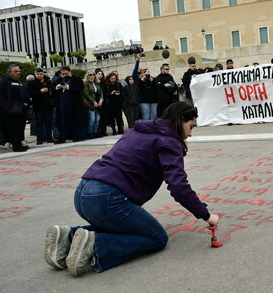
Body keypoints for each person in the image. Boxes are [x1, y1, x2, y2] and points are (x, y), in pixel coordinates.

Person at [43, 102, 220, 277]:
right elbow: (178, 186)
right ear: (181, 120)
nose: (190, 133)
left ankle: (68, 236)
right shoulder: (169, 141)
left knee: (127, 228)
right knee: (157, 238)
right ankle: (96, 245)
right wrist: (205, 214)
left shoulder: (137, 130)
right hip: (107, 199)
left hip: (83, 192)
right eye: (191, 126)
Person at [0, 64, 32, 152]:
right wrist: (6, 107)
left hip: (22, 109)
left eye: (19, 72)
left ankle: (20, 143)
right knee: (13, 129)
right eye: (16, 71)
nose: (18, 73)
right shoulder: (3, 81)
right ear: (9, 73)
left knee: (20, 128)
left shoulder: (19, 82)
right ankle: (17, 146)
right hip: (11, 110)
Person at [54, 66, 88, 143]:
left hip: (74, 104)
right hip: (62, 104)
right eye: (62, 74)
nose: (64, 75)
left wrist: (68, 87)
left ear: (69, 72)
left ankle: (76, 136)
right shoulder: (59, 80)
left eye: (65, 73)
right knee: (62, 120)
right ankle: (62, 137)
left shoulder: (76, 79)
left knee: (74, 120)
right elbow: (53, 89)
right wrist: (58, 87)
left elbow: (80, 88)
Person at [27, 68, 55, 144]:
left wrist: (48, 90)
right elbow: (30, 93)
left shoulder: (48, 81)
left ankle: (49, 137)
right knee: (39, 122)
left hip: (48, 104)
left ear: (43, 74)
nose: (39, 76)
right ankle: (40, 138)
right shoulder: (32, 83)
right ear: (35, 74)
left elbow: (53, 90)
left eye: (41, 74)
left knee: (48, 122)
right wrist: (40, 91)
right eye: (38, 74)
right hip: (38, 105)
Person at [132, 54, 159, 120]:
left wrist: (152, 80)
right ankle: (146, 129)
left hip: (153, 101)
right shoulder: (139, 80)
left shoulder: (152, 79)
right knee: (146, 117)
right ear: (143, 73)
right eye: (146, 72)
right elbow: (135, 72)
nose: (148, 74)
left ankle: (152, 129)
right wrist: (138, 60)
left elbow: (156, 88)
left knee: (154, 116)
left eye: (148, 72)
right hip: (143, 101)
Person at [82, 71, 103, 139]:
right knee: (92, 119)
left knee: (97, 119)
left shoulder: (97, 83)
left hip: (98, 103)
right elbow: (86, 94)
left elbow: (101, 93)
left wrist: (101, 100)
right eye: (90, 75)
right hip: (90, 104)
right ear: (87, 76)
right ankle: (90, 132)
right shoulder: (86, 83)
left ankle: (95, 131)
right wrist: (93, 102)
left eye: (93, 74)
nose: (92, 76)